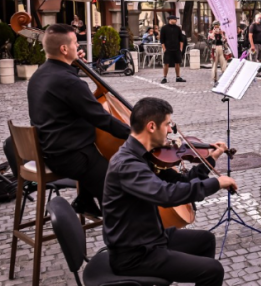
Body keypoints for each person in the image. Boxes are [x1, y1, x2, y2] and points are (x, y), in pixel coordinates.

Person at [103, 97, 236, 286]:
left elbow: (182, 181)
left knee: (206, 240)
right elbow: (166, 194)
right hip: (134, 254)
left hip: (152, 237)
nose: (170, 131)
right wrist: (216, 183)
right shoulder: (127, 164)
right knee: (213, 270)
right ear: (151, 126)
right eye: (167, 124)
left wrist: (211, 160)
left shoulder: (146, 156)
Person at [28, 24, 131, 217]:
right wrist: (135, 133)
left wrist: (73, 65)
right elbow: (101, 118)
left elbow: (67, 101)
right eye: (75, 43)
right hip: (70, 157)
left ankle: (85, 201)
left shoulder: (40, 74)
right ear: (64, 49)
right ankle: (119, 225)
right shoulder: (69, 82)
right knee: (117, 186)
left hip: (49, 150)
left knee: (97, 153)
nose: (78, 46)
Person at [160, 15, 185, 84]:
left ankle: (178, 77)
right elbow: (162, 40)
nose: (176, 20)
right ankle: (164, 77)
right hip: (168, 48)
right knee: (166, 63)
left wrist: (181, 48)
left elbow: (181, 39)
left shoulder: (178, 28)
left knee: (177, 63)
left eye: (176, 19)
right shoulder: (164, 28)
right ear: (170, 20)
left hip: (177, 48)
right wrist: (164, 49)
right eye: (175, 19)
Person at [208, 21, 227, 86]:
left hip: (221, 48)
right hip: (214, 48)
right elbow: (210, 40)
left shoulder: (222, 31)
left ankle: (224, 78)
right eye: (215, 26)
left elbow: (225, 40)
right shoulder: (211, 32)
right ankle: (214, 79)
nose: (216, 27)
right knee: (214, 64)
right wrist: (213, 33)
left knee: (223, 63)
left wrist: (221, 34)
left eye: (218, 25)